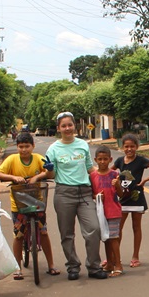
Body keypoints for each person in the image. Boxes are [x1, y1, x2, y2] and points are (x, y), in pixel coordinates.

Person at [29, 111, 106, 281]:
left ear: (74, 126)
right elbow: (50, 175)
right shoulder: (54, 149)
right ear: (58, 128)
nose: (67, 128)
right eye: (63, 126)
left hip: (84, 193)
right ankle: (73, 266)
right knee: (67, 233)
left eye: (70, 125)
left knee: (93, 229)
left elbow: (89, 168)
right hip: (64, 193)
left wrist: (106, 175)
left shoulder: (82, 145)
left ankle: (94, 266)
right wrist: (49, 168)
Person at [0, 130, 60, 279]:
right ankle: (18, 268)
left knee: (43, 231)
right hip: (18, 204)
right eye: (21, 146)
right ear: (17, 147)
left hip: (38, 202)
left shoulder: (38, 158)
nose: (24, 149)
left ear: (32, 146)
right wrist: (13, 177)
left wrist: (40, 175)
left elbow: (50, 174)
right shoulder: (12, 160)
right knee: (18, 235)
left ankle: (51, 265)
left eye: (27, 146)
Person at [116, 133, 149, 268]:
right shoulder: (119, 161)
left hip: (137, 199)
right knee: (118, 229)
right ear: (122, 147)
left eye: (132, 146)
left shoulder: (141, 160)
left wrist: (144, 180)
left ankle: (135, 256)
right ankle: (114, 256)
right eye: (126, 146)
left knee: (136, 227)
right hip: (123, 199)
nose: (129, 149)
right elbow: (110, 172)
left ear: (137, 147)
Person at [90, 145, 123, 277]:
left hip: (114, 211)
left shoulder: (115, 175)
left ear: (110, 159)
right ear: (95, 160)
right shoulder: (92, 176)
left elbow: (121, 194)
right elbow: (92, 193)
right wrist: (97, 197)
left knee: (114, 238)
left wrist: (118, 185)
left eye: (105, 159)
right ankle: (109, 263)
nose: (102, 162)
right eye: (100, 159)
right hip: (101, 213)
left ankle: (118, 265)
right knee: (105, 238)